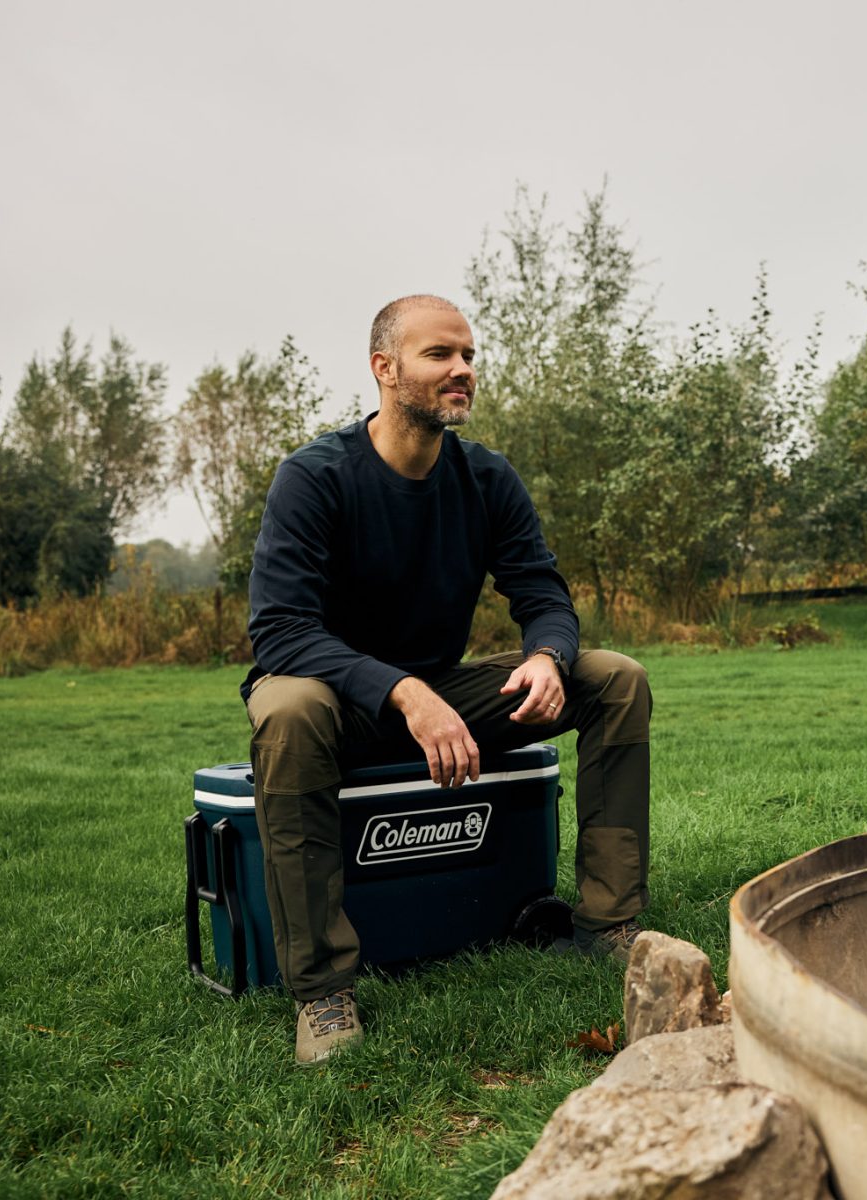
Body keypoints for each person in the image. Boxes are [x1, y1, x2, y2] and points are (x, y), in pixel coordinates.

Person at [242, 294, 653, 1065]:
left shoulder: (487, 479)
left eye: (467, 354)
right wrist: (401, 690)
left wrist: (546, 656)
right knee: (288, 709)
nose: (462, 369)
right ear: (385, 370)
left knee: (614, 677)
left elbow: (542, 593)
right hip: (334, 700)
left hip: (440, 690)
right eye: (440, 355)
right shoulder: (313, 478)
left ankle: (609, 926)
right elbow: (281, 632)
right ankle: (323, 993)